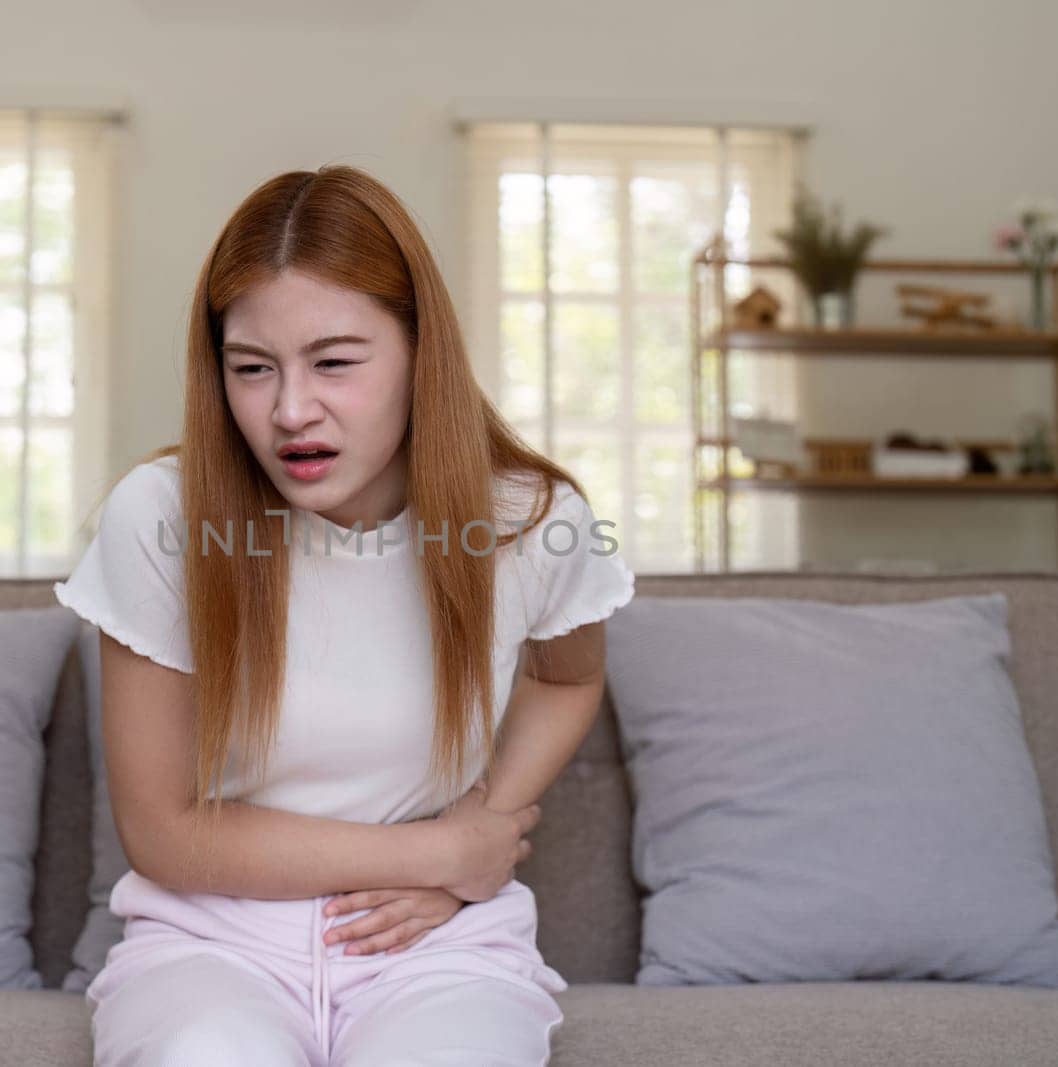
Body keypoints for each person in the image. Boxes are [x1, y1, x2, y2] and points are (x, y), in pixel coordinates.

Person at [54, 164, 636, 1066]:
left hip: (436, 951)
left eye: (334, 362)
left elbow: (571, 676)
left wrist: (489, 816)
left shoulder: (530, 518)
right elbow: (164, 830)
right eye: (252, 368)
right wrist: (444, 854)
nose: (291, 410)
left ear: (419, 352)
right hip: (209, 944)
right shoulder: (161, 518)